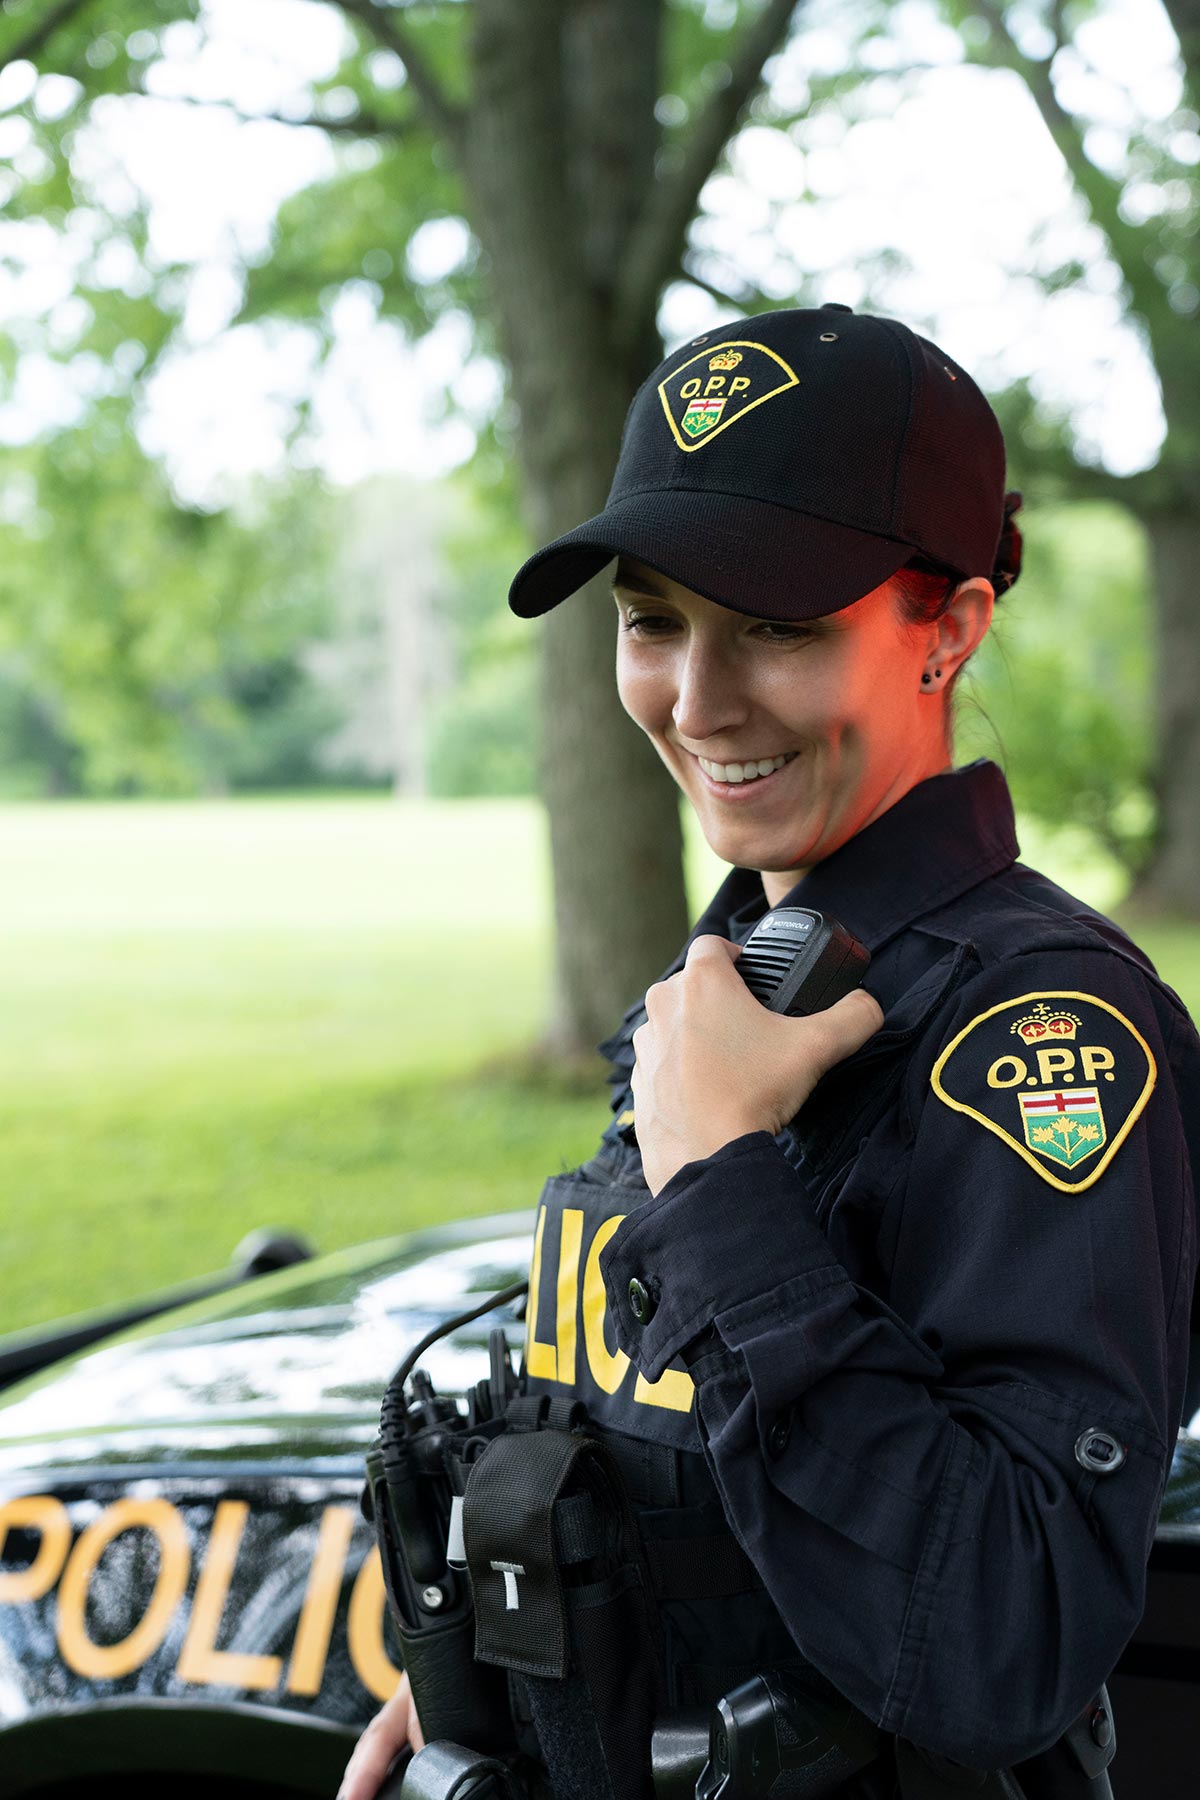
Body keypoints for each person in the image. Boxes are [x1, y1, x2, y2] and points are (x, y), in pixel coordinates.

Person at [340, 306, 1200, 1800]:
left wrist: (730, 1176)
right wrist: (506, 1678)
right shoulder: (732, 981)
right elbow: (656, 1450)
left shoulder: (1042, 1032)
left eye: (781, 626)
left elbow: (1008, 1639)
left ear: (951, 625)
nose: (698, 698)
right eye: (652, 616)